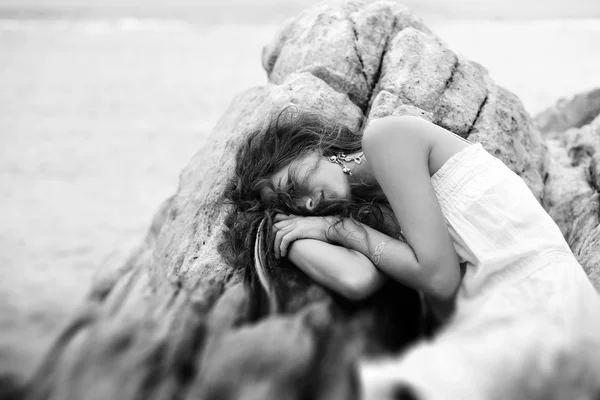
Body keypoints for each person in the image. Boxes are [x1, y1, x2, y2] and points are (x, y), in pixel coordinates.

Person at [221, 108, 600, 399]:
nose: (307, 201)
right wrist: (283, 232)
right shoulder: (376, 209)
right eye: (294, 204)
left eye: (294, 183)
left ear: (312, 149)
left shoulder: (388, 139)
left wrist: (340, 230)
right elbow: (357, 279)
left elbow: (439, 279)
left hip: (541, 305)